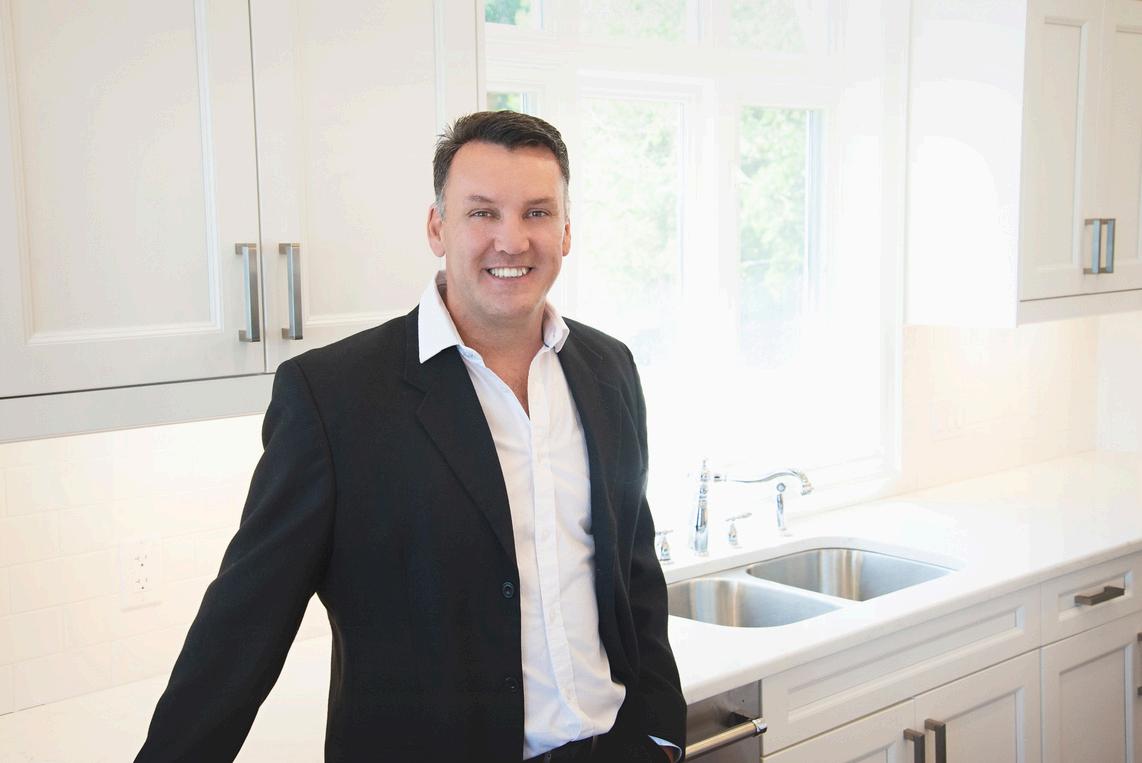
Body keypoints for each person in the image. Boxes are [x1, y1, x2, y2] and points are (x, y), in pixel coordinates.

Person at [135, 111, 686, 762]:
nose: (512, 240)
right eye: (482, 212)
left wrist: (660, 737)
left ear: (566, 232)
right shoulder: (334, 398)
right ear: (436, 227)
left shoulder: (609, 368)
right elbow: (241, 629)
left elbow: (633, 569)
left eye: (537, 213)